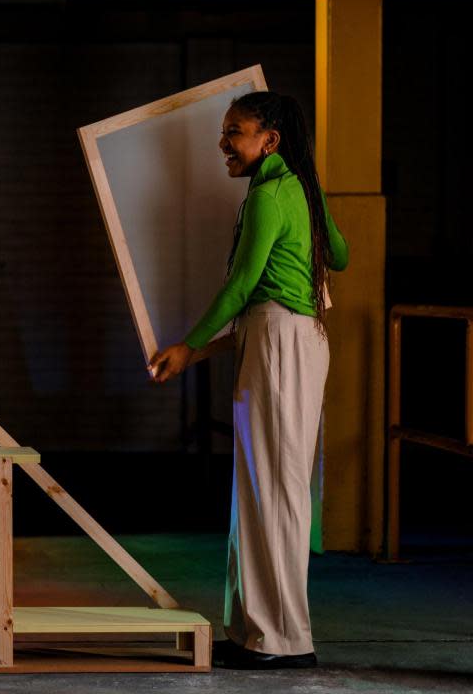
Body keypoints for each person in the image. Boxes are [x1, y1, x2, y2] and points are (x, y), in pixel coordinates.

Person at [149, 91, 348, 670]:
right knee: (266, 488)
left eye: (235, 132)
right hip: (297, 340)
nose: (224, 144)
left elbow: (241, 287)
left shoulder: (267, 196)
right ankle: (257, 634)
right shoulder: (299, 190)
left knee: (273, 491)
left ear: (270, 141)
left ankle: (284, 641)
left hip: (279, 340)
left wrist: (187, 347)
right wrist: (315, 202)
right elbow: (340, 254)